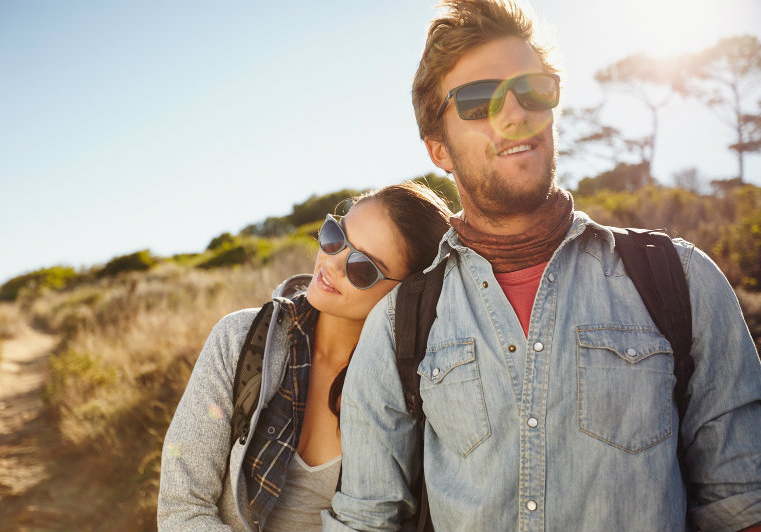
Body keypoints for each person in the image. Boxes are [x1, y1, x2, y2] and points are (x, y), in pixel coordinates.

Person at [323, 1, 761, 531]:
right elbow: (367, 519)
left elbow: (742, 505)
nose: (515, 115)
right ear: (438, 149)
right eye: (479, 101)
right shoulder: (399, 324)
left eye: (533, 89)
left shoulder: (681, 279)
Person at [156, 181, 451, 531]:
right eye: (334, 236)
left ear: (408, 293)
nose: (333, 262)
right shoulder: (239, 340)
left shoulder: (421, 387)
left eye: (362, 267)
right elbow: (182, 509)